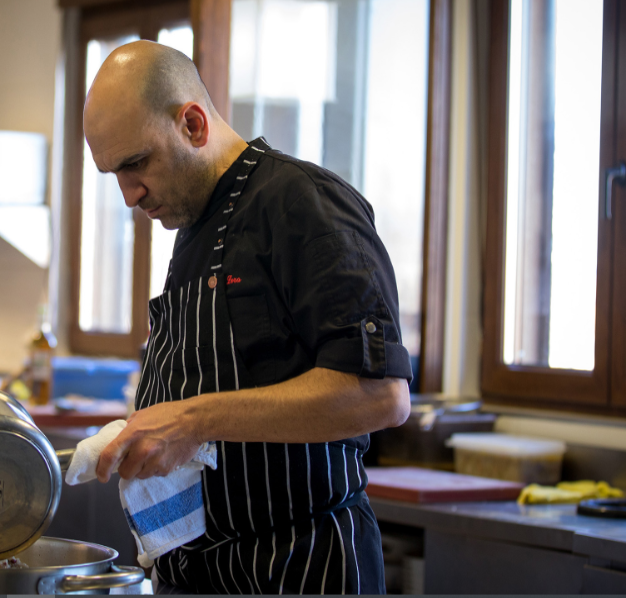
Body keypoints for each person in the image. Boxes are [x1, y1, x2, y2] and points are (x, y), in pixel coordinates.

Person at [84, 41, 412, 594]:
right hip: (204, 576)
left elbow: (380, 395)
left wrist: (190, 419)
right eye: (114, 173)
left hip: (300, 572)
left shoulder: (303, 204)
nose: (129, 195)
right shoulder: (194, 225)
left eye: (136, 164)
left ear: (192, 123)